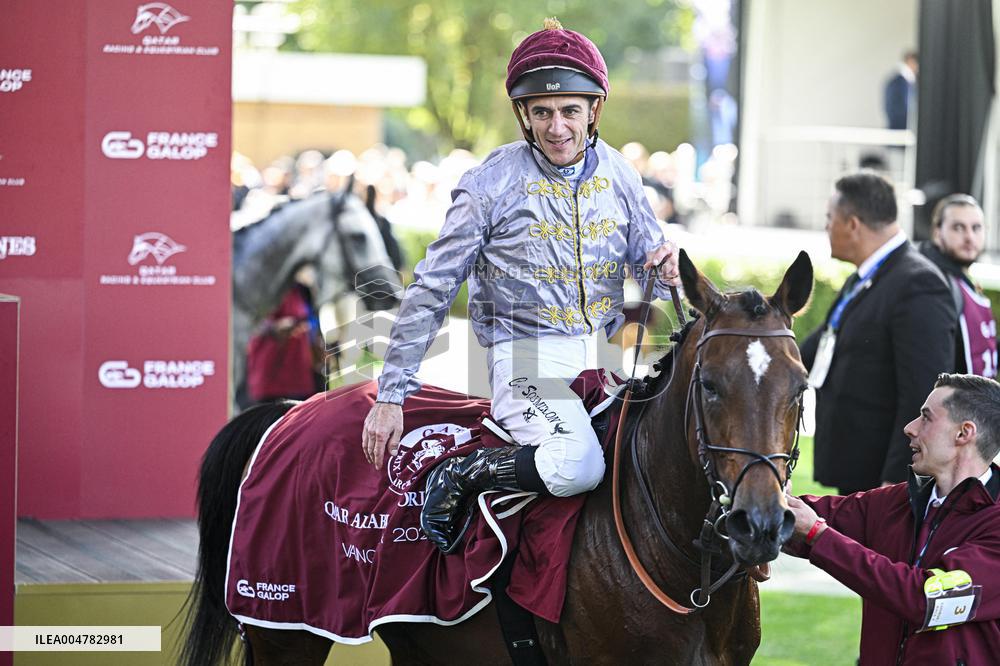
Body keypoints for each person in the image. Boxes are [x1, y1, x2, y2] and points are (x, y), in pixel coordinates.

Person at [360, 18, 680, 554]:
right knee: (578, 465)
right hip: (526, 359)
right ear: (524, 115)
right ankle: (463, 473)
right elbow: (432, 288)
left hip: (607, 359)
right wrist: (391, 394)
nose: (558, 128)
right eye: (543, 113)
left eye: (570, 111)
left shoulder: (621, 173)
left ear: (593, 111)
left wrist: (665, 270)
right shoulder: (490, 183)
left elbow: (655, 276)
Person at [784, 373, 1000, 665]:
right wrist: (766, 497)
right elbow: (801, 519)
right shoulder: (895, 502)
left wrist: (817, 536)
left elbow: (928, 601)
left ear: (964, 433)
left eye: (926, 418)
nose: (909, 428)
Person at [800, 171, 956, 494]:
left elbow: (923, 392)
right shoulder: (864, 277)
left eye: (830, 219)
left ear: (853, 225)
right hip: (855, 470)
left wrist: (898, 478)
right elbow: (821, 344)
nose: (826, 227)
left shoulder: (918, 283)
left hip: (881, 482)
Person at [919, 194, 998, 378]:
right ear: (937, 234)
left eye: (976, 228)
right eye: (958, 228)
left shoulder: (960, 277)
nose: (969, 237)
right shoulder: (934, 283)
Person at [885, 50, 918, 131]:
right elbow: (892, 112)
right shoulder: (896, 83)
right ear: (910, 61)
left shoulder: (913, 82)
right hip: (898, 132)